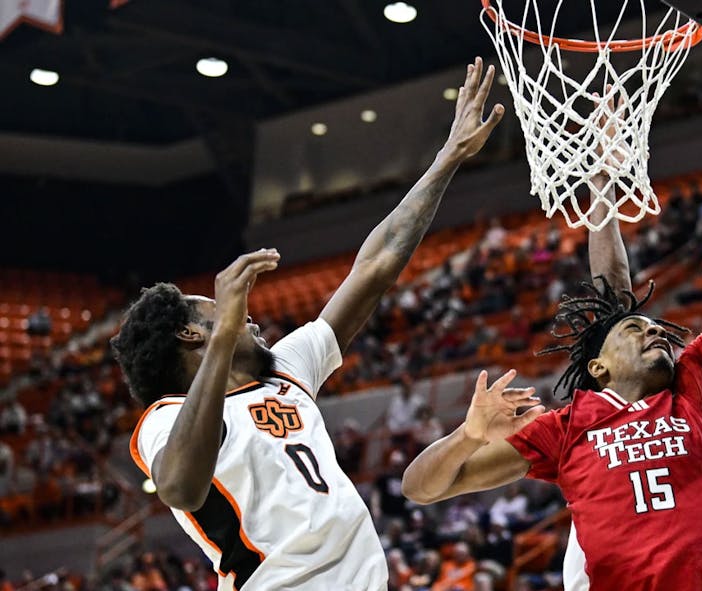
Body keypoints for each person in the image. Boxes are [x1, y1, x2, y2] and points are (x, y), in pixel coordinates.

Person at [402, 83, 702, 590]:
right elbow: (420, 487)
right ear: (598, 368)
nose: (655, 332)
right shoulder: (566, 426)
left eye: (656, 328)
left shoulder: (700, 389)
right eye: (636, 328)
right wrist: (466, 435)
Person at [114, 58, 505, 591]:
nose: (247, 319)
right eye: (219, 314)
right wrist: (227, 334)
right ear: (193, 334)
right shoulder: (166, 419)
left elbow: (375, 267)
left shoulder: (285, 370)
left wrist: (446, 160)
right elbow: (180, 488)